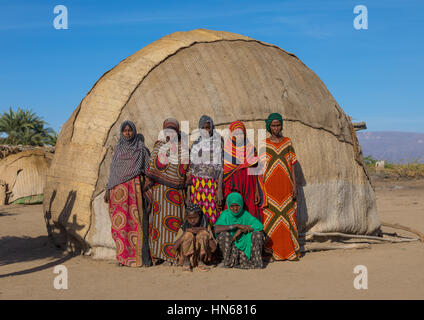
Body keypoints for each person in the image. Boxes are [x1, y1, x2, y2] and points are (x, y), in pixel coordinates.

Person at [104, 120, 151, 267]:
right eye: (125, 131)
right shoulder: (118, 149)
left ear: (134, 131)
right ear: (121, 132)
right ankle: (122, 257)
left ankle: (135, 258)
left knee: (134, 223)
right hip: (117, 191)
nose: (127, 133)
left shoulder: (141, 148)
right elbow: (113, 170)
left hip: (134, 189)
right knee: (119, 226)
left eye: (129, 130)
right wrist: (108, 189)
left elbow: (148, 168)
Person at [145, 118, 189, 265]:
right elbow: (151, 167)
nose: (170, 133)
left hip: (175, 195)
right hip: (159, 194)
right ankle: (158, 255)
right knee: (158, 226)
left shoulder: (183, 149)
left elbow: (185, 172)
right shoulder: (158, 147)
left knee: (175, 224)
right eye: (167, 131)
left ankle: (173, 256)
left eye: (173, 130)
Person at [262, 113, 300, 261]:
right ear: (269, 127)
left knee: (288, 216)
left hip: (286, 186)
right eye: (273, 125)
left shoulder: (288, 142)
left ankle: (289, 250)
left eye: (278, 125)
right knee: (270, 218)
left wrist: (295, 185)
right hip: (270, 187)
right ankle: (271, 251)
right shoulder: (264, 144)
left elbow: (292, 166)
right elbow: (260, 168)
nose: (276, 128)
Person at [223, 121, 266, 222]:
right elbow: (225, 172)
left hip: (249, 185)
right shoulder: (226, 150)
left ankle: (250, 234)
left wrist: (256, 190)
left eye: (241, 133)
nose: (239, 136)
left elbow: (255, 171)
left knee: (249, 207)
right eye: (236, 134)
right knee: (233, 207)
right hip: (233, 185)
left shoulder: (251, 149)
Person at [187, 115, 224, 225]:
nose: (206, 131)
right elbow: (190, 171)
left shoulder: (218, 144)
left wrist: (220, 190)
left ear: (212, 128)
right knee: (197, 216)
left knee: (212, 215)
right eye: (203, 128)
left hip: (211, 185)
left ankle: (212, 240)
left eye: (208, 128)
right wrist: (188, 193)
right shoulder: (195, 145)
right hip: (196, 185)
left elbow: (221, 169)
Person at [214, 192, 264, 269]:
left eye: (237, 205)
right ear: (228, 205)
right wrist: (236, 226)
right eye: (232, 206)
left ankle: (255, 262)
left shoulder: (245, 214)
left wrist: (243, 229)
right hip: (232, 249)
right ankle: (229, 262)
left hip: (245, 249)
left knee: (257, 234)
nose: (235, 209)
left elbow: (259, 225)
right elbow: (217, 229)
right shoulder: (225, 214)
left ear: (241, 204)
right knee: (223, 235)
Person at [173, 203, 217, 272]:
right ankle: (187, 262)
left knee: (203, 234)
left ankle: (201, 261)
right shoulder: (184, 227)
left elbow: (214, 248)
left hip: (201, 257)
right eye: (190, 218)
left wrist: (205, 232)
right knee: (188, 235)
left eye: (195, 217)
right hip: (187, 258)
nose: (192, 220)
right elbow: (175, 247)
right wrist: (185, 232)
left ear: (200, 216)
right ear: (187, 218)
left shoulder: (205, 225)